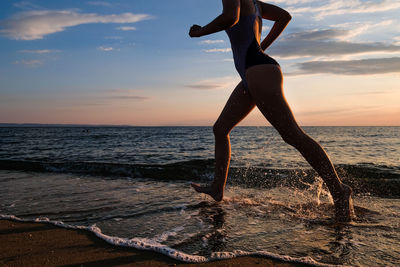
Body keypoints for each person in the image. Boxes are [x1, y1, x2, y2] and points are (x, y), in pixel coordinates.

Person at [188, 0, 353, 222]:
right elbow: (284, 16)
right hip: (254, 71)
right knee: (220, 128)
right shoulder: (256, 3)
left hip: (259, 71)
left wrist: (200, 32)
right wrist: (262, 45)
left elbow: (231, 18)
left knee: (293, 134)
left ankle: (338, 189)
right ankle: (217, 188)